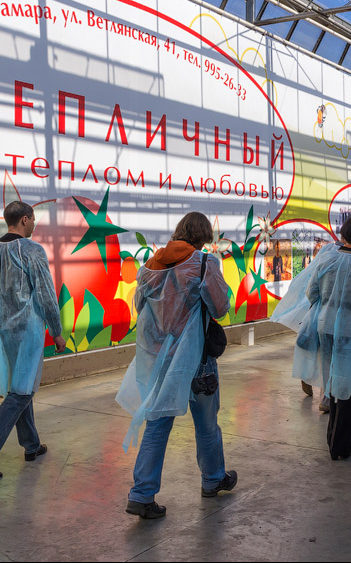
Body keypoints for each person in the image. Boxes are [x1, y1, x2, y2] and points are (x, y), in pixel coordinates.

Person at [115, 212, 236, 520]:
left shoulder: (149, 266)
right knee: (206, 422)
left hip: (158, 359)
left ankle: (141, 493)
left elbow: (140, 306)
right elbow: (220, 308)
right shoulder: (204, 264)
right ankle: (213, 479)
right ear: (203, 236)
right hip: (195, 359)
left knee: (157, 421)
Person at [0, 201, 68, 479]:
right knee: (21, 391)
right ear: (26, 220)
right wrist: (56, 330)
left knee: (21, 385)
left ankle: (31, 445)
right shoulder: (32, 250)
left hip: (1, 330)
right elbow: (45, 293)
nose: (34, 225)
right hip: (27, 329)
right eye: (33, 221)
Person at [293, 217, 351, 460]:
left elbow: (311, 293)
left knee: (331, 379)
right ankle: (340, 446)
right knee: (347, 383)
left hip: (326, 325)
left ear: (343, 236)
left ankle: (332, 438)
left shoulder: (326, 259)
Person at [271, 239, 343, 400]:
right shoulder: (339, 255)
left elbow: (311, 288)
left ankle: (312, 381)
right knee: (327, 353)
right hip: (326, 312)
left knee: (318, 349)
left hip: (317, 309)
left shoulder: (326, 254)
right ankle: (325, 395)